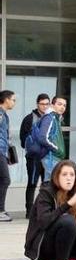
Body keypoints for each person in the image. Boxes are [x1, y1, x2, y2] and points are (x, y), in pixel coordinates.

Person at [23, 160, 76, 260]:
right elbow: (44, 222)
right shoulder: (46, 193)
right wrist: (67, 205)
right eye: (64, 175)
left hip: (64, 248)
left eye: (72, 175)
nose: (69, 178)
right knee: (68, 221)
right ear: (56, 177)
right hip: (42, 248)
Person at [21, 93, 51, 218]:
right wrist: (34, 148)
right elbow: (23, 138)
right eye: (42, 104)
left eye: (47, 104)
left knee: (47, 184)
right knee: (32, 183)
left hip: (47, 157)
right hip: (34, 158)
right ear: (37, 104)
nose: (44, 107)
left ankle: (44, 210)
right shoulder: (30, 118)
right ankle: (29, 211)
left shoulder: (51, 118)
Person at [36, 96, 67, 181]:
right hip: (50, 157)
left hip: (53, 157)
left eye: (64, 105)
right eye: (59, 104)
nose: (62, 107)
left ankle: (44, 195)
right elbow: (43, 138)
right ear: (52, 105)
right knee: (57, 183)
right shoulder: (50, 118)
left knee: (49, 184)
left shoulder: (56, 118)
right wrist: (56, 149)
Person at [0, 90, 15, 222]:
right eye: (13, 100)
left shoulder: (4, 115)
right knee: (5, 179)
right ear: (6, 100)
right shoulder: (0, 114)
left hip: (2, 151)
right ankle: (0, 211)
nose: (14, 102)